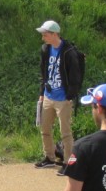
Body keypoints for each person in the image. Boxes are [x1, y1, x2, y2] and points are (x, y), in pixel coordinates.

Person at [34, 20, 85, 177]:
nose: (43, 38)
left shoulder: (68, 52)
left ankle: (68, 163)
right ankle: (49, 157)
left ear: (55, 34)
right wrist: (42, 93)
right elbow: (44, 73)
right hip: (49, 96)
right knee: (45, 128)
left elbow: (75, 77)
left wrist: (70, 96)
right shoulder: (45, 49)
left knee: (65, 132)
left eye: (45, 35)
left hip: (63, 99)